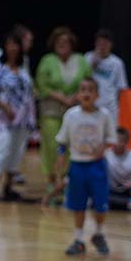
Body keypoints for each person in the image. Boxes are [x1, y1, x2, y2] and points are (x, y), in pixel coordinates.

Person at [52, 77, 115, 256]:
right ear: (78, 94)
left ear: (97, 94)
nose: (86, 93)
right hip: (77, 166)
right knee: (78, 205)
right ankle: (79, 240)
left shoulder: (104, 115)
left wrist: (101, 149)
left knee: (100, 204)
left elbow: (110, 139)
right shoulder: (71, 115)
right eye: (83, 90)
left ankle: (99, 234)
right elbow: (62, 144)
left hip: (96, 166)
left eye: (90, 90)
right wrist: (59, 172)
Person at [36, 27, 92, 195]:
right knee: (52, 146)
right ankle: (52, 180)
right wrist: (60, 97)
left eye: (66, 42)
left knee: (72, 146)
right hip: (51, 110)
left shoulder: (81, 60)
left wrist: (76, 96)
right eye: (59, 42)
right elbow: (41, 85)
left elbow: (88, 81)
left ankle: (68, 181)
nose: (63, 45)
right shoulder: (47, 60)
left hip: (75, 109)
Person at [0, 31, 36, 200]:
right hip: (5, 118)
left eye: (15, 44)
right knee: (2, 148)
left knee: (17, 151)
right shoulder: (0, 70)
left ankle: (8, 185)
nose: (13, 48)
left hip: (23, 119)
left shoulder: (23, 71)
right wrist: (4, 106)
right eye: (9, 44)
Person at [86, 29, 128, 128]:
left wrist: (114, 103)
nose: (102, 46)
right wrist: (93, 63)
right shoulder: (88, 57)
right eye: (99, 43)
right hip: (91, 105)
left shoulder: (117, 63)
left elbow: (121, 88)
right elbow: (84, 79)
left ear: (111, 45)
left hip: (109, 107)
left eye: (105, 43)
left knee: (109, 133)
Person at [105, 127, 131, 210]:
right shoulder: (106, 155)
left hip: (130, 190)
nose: (118, 143)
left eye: (122, 141)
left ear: (127, 142)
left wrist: (130, 184)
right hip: (111, 190)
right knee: (99, 197)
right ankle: (128, 204)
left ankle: (124, 204)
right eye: (116, 140)